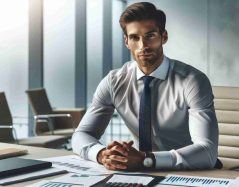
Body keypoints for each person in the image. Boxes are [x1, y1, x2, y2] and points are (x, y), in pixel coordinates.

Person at [72, 2, 218, 171]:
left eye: (150, 36)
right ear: (126, 41)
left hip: (188, 171)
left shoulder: (192, 81)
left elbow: (207, 152)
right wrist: (101, 154)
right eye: (135, 38)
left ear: (164, 36)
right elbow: (81, 135)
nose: (143, 46)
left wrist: (146, 159)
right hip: (136, 172)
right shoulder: (114, 81)